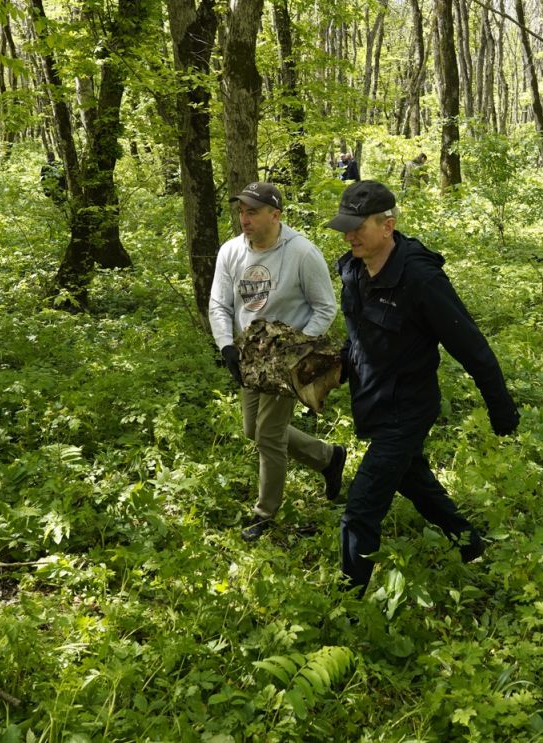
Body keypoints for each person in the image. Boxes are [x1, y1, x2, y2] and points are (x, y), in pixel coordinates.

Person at [326, 180, 520, 596]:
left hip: (407, 409)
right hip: (372, 402)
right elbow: (359, 337)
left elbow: (470, 345)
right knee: (412, 478)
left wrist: (500, 407)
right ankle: (469, 543)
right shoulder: (353, 270)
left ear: (388, 226)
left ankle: (346, 605)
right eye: (345, 228)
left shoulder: (420, 278)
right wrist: (336, 368)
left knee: (361, 508)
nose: (349, 236)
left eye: (358, 227)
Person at [209, 182, 346, 543]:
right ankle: (328, 458)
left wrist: (295, 352)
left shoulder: (302, 252)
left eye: (252, 212)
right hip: (249, 356)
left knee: (268, 435)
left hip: (285, 361)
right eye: (242, 212)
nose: (244, 219)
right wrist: (226, 346)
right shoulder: (231, 252)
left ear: (275, 215)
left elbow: (325, 307)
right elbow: (219, 304)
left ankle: (264, 514)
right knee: (252, 429)